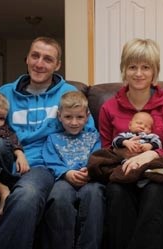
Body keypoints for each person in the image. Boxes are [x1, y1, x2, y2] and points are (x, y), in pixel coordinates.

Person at [0, 36, 95, 249]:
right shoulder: (5, 93)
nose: (39, 63)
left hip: (37, 167)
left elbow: (88, 132)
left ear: (57, 65)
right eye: (35, 56)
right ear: (27, 58)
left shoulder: (68, 95)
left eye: (47, 59)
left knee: (26, 197)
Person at [91, 38, 163, 249]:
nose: (138, 73)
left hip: (158, 175)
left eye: (145, 67)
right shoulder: (109, 108)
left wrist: (152, 154)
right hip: (123, 173)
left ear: (154, 72)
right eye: (132, 67)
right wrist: (126, 153)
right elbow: (105, 149)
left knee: (157, 192)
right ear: (123, 70)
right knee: (116, 193)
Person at [40, 91, 104, 249]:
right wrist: (66, 173)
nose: (74, 122)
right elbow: (51, 161)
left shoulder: (94, 137)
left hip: (89, 180)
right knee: (58, 195)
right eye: (68, 117)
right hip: (64, 180)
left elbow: (98, 157)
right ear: (59, 116)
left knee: (95, 194)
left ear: (87, 116)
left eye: (79, 117)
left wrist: (90, 170)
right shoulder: (53, 139)